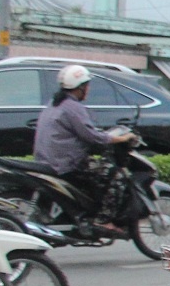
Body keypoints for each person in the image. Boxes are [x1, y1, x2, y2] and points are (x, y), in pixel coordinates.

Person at [32, 63, 133, 220]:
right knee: (112, 174)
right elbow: (92, 137)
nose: (89, 89)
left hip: (47, 160)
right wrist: (121, 138)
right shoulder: (73, 107)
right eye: (87, 85)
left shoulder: (54, 103)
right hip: (65, 164)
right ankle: (102, 220)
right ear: (80, 87)